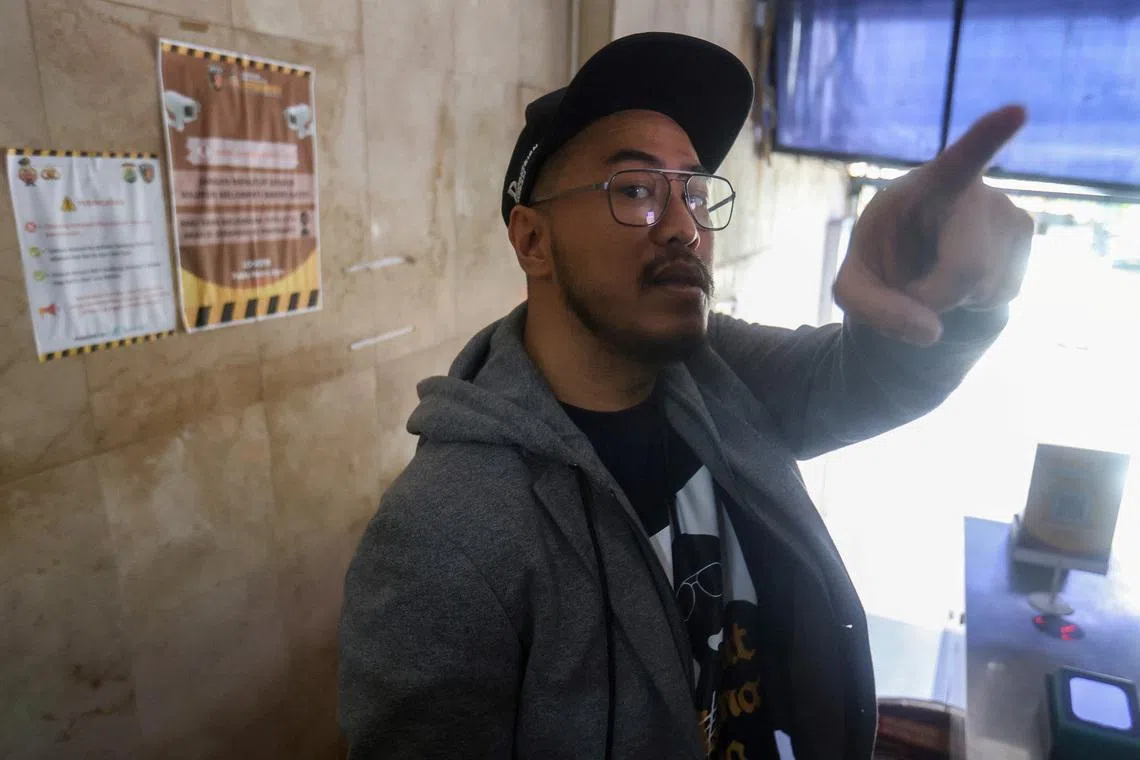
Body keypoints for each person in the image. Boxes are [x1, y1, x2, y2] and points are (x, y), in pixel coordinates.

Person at [338, 32, 1033, 760]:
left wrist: (952, 296)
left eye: (694, 192)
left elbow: (863, 380)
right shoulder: (442, 537)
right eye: (635, 191)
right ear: (533, 241)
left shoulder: (713, 370)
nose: (683, 227)